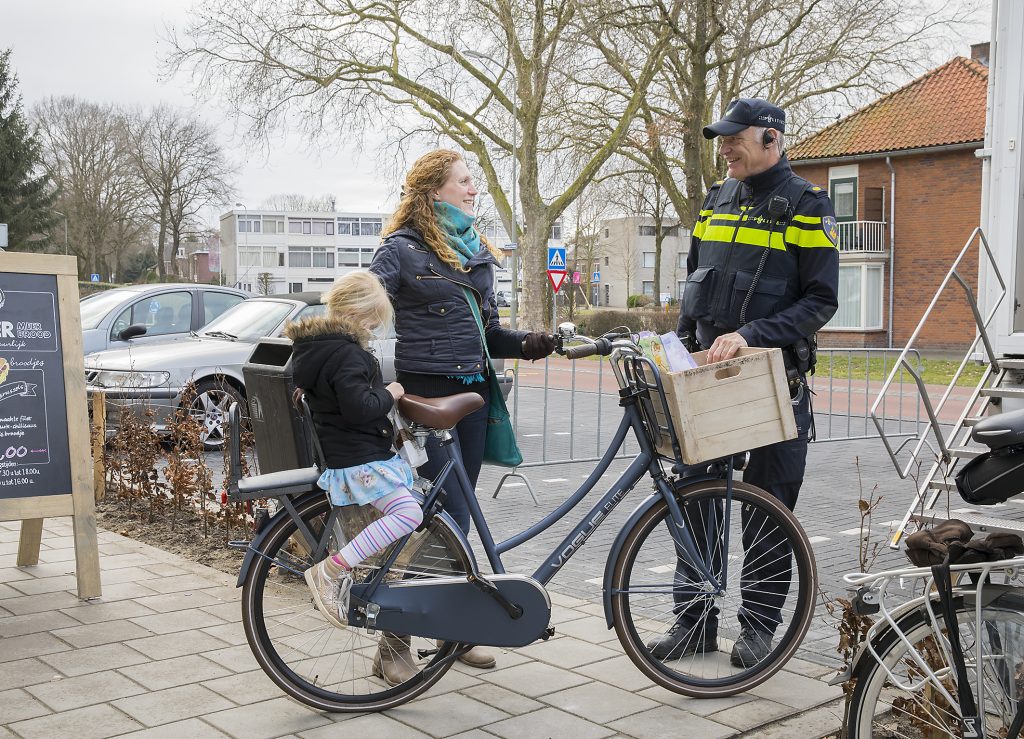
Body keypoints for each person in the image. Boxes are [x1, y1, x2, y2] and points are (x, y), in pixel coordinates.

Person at [647, 98, 839, 667]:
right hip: (708, 378)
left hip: (775, 382)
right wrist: (677, 346)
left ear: (771, 140)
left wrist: (754, 333)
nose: (725, 148)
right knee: (696, 500)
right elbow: (695, 283)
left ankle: (758, 630)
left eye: (735, 139)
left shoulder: (808, 206)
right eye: (722, 139)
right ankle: (694, 623)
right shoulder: (717, 198)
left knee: (768, 505)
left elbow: (820, 301)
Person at [370, 148, 555, 672]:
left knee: (461, 517)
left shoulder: (473, 251)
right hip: (427, 399)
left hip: (472, 399)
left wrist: (530, 343)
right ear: (434, 192)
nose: (474, 190)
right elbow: (362, 309)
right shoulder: (401, 251)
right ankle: (394, 643)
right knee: (435, 520)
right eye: (465, 182)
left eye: (473, 181)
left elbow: (488, 333)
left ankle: (455, 627)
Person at [285, 271, 425, 684]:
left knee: (403, 516)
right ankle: (332, 570)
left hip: (346, 459)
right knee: (408, 515)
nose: (371, 331)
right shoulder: (347, 354)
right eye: (369, 323)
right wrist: (392, 392)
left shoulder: (311, 351)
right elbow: (360, 407)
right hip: (362, 462)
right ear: (351, 314)